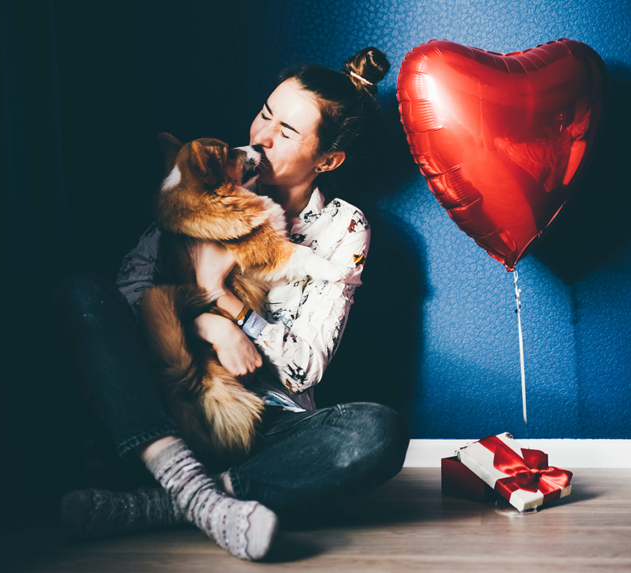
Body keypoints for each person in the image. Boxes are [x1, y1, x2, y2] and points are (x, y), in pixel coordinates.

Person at [52, 47, 409, 562]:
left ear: (327, 160)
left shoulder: (342, 229)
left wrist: (231, 305)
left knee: (379, 431)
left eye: (286, 133)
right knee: (82, 294)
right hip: (165, 413)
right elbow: (126, 295)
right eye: (265, 113)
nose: (261, 137)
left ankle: (168, 503)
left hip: (265, 427)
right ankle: (195, 487)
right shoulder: (208, 174)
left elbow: (306, 369)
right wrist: (204, 322)